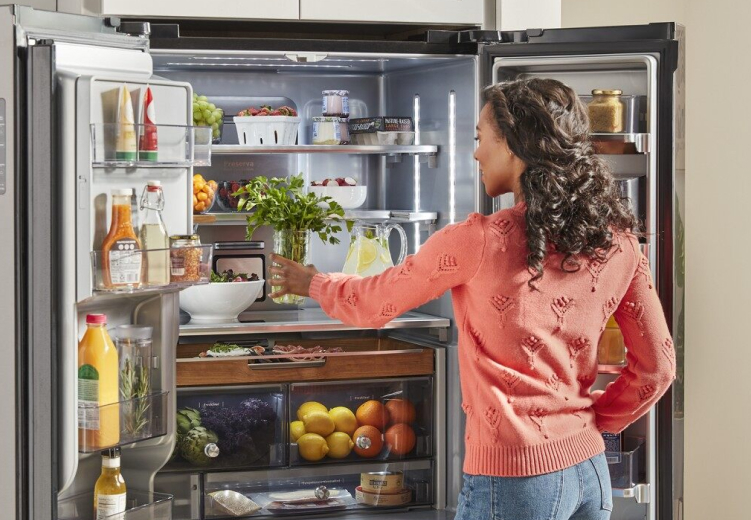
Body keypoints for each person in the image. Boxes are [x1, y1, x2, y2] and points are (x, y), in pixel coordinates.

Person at [270, 78, 675, 520]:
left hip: (514, 478)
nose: (476, 153)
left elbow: (374, 303)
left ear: (515, 146)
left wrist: (311, 283)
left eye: (481, 138)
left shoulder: (477, 240)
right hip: (590, 472)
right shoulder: (619, 242)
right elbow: (657, 368)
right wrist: (594, 423)